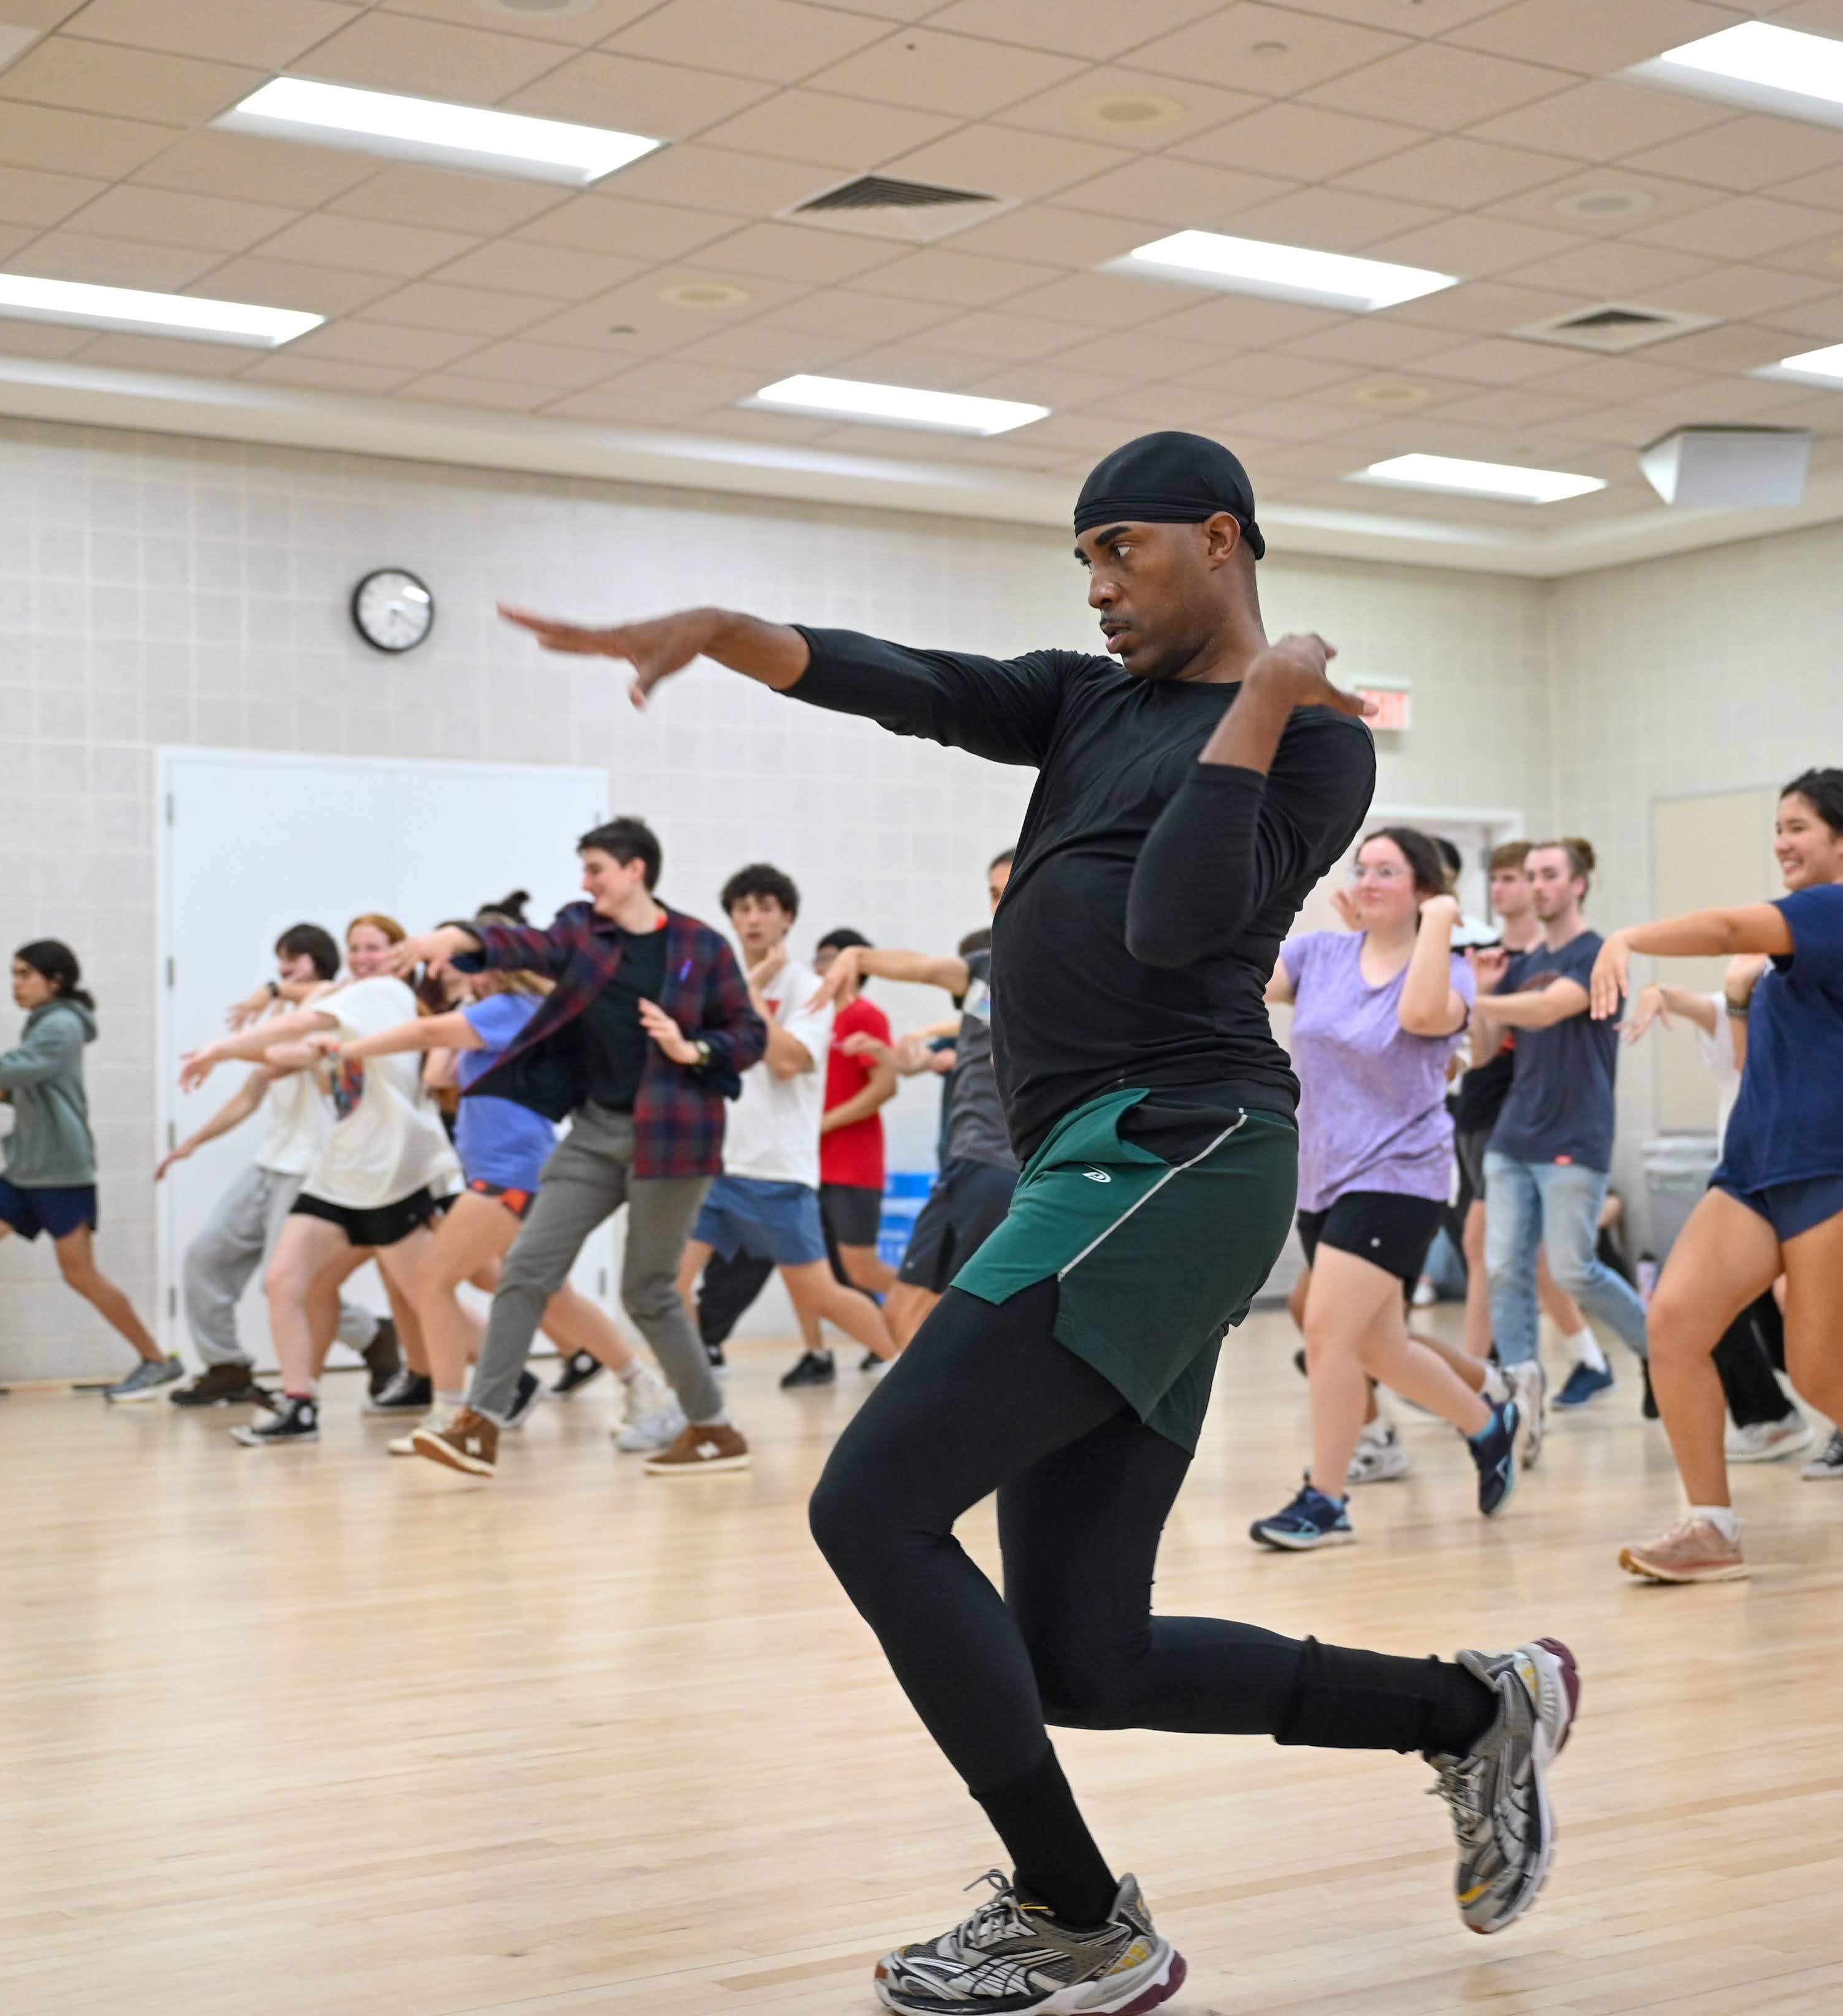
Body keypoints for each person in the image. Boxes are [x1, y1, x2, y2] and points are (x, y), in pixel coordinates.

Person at [500, 430, 1577, 2016]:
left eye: (1119, 553)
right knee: (1089, 1655)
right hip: (1106, 1160)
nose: (1095, 591)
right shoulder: (1082, 700)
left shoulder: (1317, 745)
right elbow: (906, 678)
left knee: (868, 1506)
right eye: (1079, 559)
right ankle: (1471, 1713)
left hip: (1176, 1149)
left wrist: (1269, 699)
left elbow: (1174, 918)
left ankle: (1074, 1916)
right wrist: (726, 633)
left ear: (1220, 538)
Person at [1598, 771, 1843, 1583]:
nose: (1781, 841)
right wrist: (1733, 999)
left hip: (1842, 1160)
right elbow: (1748, 1054)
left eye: (1797, 825)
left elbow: (1726, 922)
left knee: (1818, 1372)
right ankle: (1709, 1524)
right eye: (1776, 826)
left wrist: (1626, 935)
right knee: (1670, 1322)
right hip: (1755, 1162)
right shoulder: (1788, 956)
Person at [389, 817, 768, 1478]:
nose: (586, 881)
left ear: (635, 871)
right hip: (594, 1133)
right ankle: (479, 1423)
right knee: (525, 1269)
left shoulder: (700, 947)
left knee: (648, 1290)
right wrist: (460, 939)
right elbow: (525, 944)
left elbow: (747, 1033)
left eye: (596, 868)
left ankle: (713, 1428)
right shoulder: (582, 933)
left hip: (673, 1138)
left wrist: (694, 1047)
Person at [1248, 826, 1525, 1549]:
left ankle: (1326, 1501)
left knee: (1327, 1332)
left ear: (1424, 889)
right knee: (1382, 1347)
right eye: (1361, 868)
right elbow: (1241, 973)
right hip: (1322, 1175)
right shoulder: (1318, 954)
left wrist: (1436, 926)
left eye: (1387, 871)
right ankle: (1488, 1423)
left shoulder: (1451, 974)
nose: (1368, 880)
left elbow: (1418, 1018)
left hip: (1401, 1174)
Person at [330, 953, 669, 1460]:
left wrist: (347, 1047)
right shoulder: (504, 1010)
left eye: (474, 965)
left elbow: (425, 1036)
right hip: (516, 1171)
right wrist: (465, 1000)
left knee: (432, 1280)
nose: (465, 976)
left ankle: (449, 1412)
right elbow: (440, 1070)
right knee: (552, 1296)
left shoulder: (513, 1006)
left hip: (510, 1174)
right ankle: (646, 1389)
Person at [174, 915, 465, 1449]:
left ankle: (496, 1385)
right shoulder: (348, 997)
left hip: (389, 1172)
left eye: (374, 948)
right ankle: (299, 1404)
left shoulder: (381, 993)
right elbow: (293, 1048)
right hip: (340, 1172)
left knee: (431, 1292)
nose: (362, 957)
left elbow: (292, 1033)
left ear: (399, 954)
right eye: (355, 947)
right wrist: (269, 1042)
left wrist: (221, 1047)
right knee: (286, 1279)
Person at [0, 939, 174, 1405]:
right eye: (14, 974)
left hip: (61, 1171)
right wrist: (2, 1088)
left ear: (55, 980)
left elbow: (9, 1071)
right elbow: (17, 1085)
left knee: (81, 1275)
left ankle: (159, 1362)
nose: (16, 984)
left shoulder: (61, 1026)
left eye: (25, 974)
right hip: (26, 1168)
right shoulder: (43, 1023)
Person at [675, 863, 901, 1391]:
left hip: (777, 1168)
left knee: (821, 1293)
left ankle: (909, 1367)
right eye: (742, 908)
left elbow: (788, 1060)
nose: (752, 919)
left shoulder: (809, 989)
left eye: (764, 908)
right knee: (665, 1285)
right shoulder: (715, 982)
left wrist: (751, 998)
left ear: (787, 919)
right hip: (716, 1162)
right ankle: (694, 1402)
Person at [153, 923, 396, 1409]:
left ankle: (373, 1336)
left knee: (283, 1280)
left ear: (316, 961)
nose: (283, 968)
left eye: (293, 958)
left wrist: (260, 1000)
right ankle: (227, 1368)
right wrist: (194, 1142)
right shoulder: (289, 1013)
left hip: (313, 1166)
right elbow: (251, 1095)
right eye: (280, 959)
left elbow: (285, 1040)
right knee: (205, 1257)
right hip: (271, 1161)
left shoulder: (337, 1000)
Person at [1467, 837, 1650, 1461]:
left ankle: (1663, 1351)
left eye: (1550, 875)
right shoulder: (1518, 964)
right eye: (1532, 876)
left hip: (1575, 1136)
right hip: (1514, 1136)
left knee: (1573, 1269)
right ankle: (1522, 1393)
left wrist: (1470, 996)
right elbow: (1487, 1052)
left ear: (1578, 884)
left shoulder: (1599, 955)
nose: (1538, 885)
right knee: (1503, 1268)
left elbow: (1549, 1010)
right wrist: (1484, 993)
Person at [813, 852, 1017, 1355]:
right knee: (907, 1311)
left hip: (998, 1166)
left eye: (1009, 890)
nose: (1000, 904)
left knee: (949, 1316)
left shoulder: (1059, 973)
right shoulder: (984, 972)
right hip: (965, 1165)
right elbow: (926, 970)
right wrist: (858, 959)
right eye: (992, 894)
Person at [1619, 965, 1812, 1462]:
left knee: (1803, 1347)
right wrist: (1654, 994)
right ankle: (1770, 1419)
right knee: (1701, 1306)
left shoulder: (1811, 1021)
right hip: (1743, 1189)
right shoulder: (1734, 1005)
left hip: (1792, 1188)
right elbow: (1681, 997)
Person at [1455, 843, 1606, 1408]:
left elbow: (1545, 1018)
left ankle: (1476, 1379)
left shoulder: (1565, 956)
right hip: (1479, 1110)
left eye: (1516, 878)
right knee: (1514, 1256)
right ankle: (1577, 1360)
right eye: (1497, 879)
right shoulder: (1492, 960)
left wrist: (1479, 1001)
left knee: (1494, 1247)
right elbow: (1477, 1044)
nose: (1505, 889)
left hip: (1520, 1117)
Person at [788, 926, 901, 1384]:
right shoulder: (810, 1018)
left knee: (861, 1268)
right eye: (818, 955)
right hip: (806, 1165)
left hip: (853, 1164)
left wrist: (823, 1124)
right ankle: (816, 1354)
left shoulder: (866, 1017)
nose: (821, 965)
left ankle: (929, 1310)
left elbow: (884, 1087)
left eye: (831, 957)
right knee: (803, 1265)